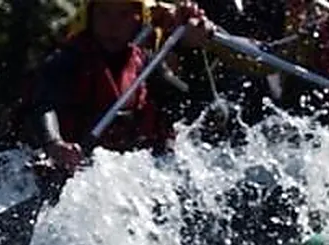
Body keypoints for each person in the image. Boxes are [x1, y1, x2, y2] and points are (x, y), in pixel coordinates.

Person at [25, 0, 217, 183]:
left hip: (127, 177)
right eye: (103, 13)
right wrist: (54, 143)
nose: (112, 24)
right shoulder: (67, 60)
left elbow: (201, 111)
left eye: (123, 14)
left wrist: (193, 49)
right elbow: (43, 105)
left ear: (138, 20)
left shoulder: (146, 66)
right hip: (70, 170)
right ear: (89, 17)